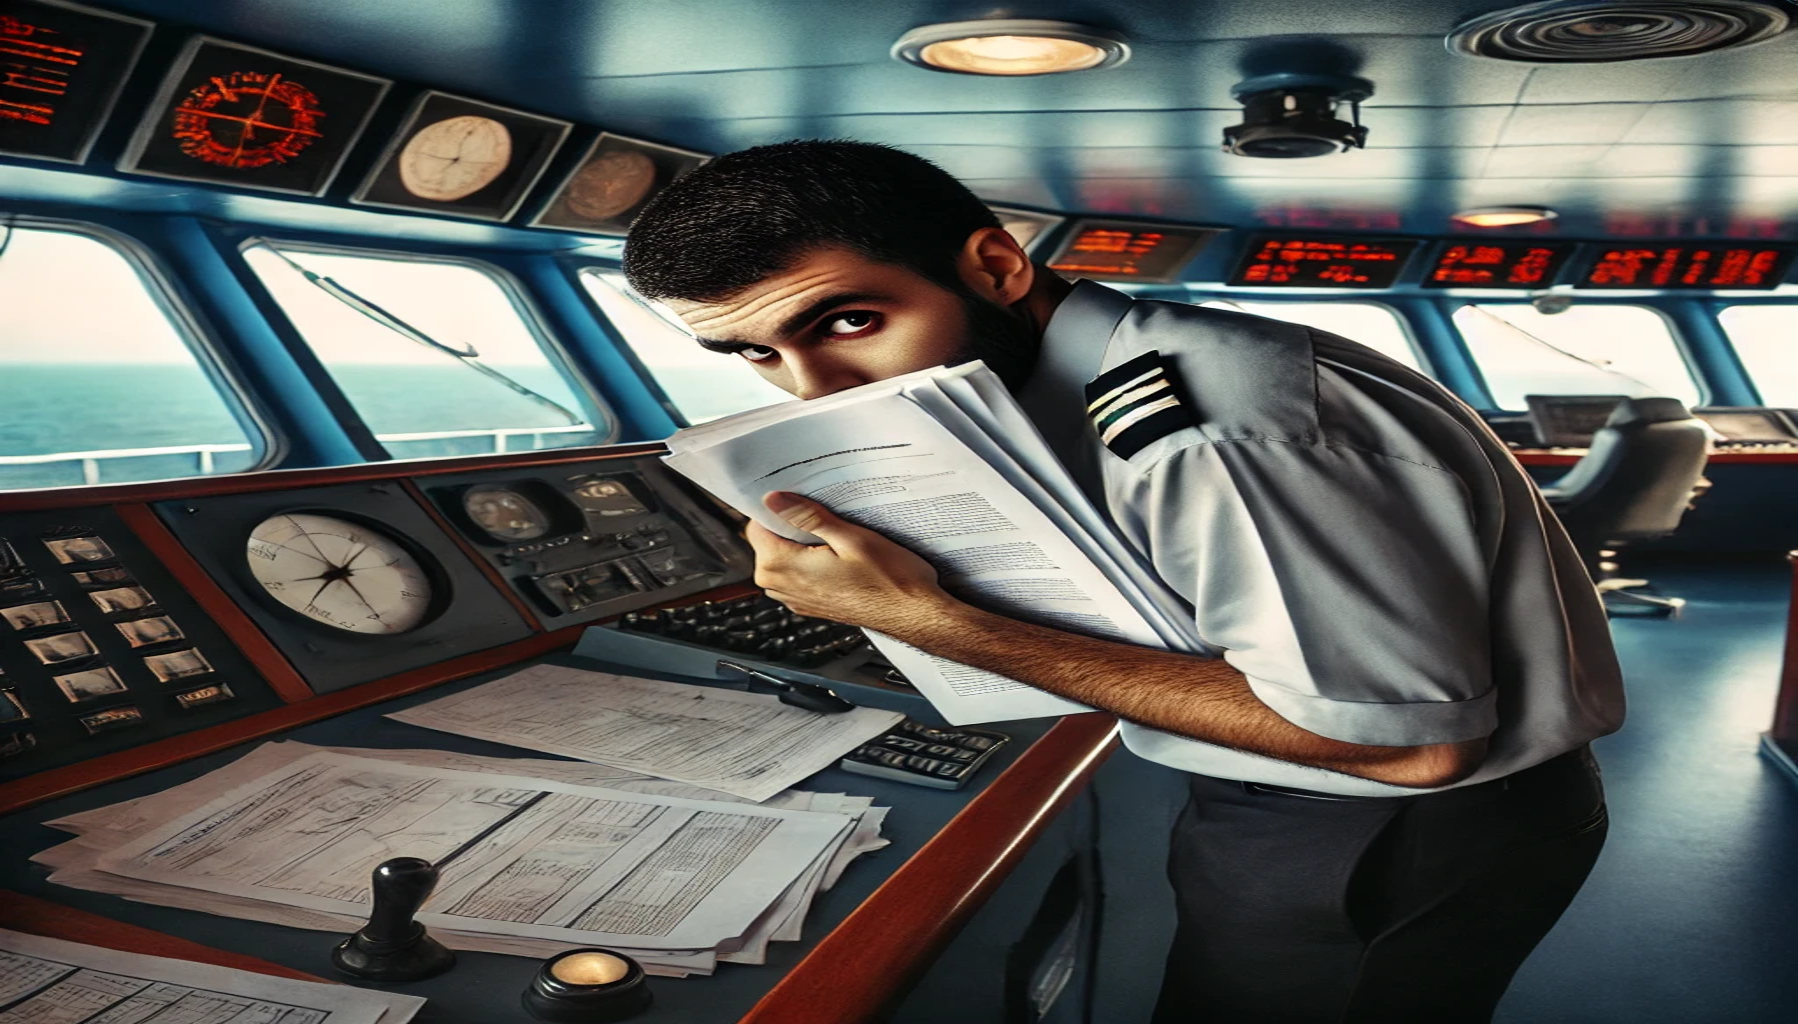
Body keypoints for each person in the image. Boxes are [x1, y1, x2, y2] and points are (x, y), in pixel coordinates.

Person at [622, 140, 1624, 1022]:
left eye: (846, 323)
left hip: (1386, 829)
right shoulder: (1131, 370)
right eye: (757, 352)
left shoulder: (1214, 430)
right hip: (1324, 808)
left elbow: (1411, 748)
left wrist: (931, 622)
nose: (815, 392)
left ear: (996, 265)